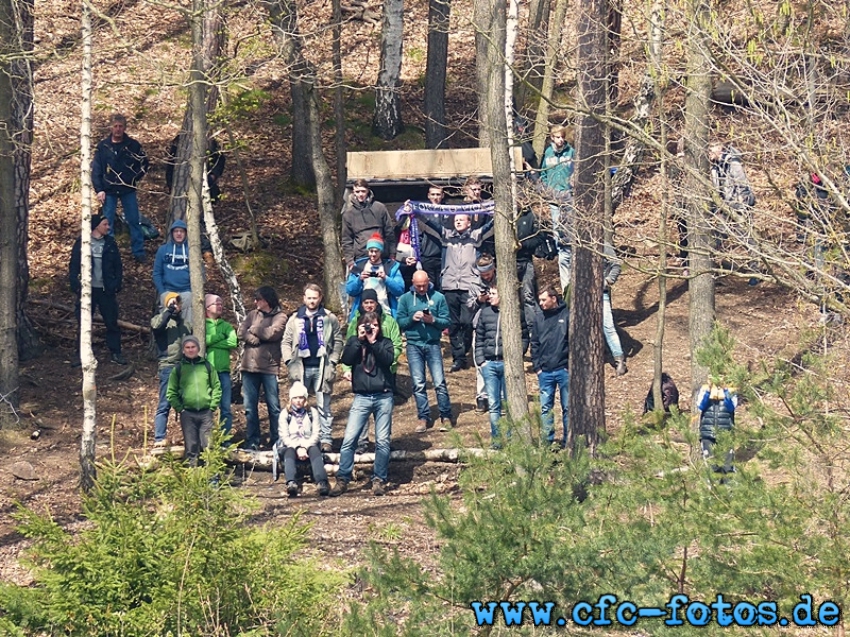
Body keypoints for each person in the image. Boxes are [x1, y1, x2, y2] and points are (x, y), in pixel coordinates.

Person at [330, 311, 396, 497]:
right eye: (366, 326)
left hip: (383, 396)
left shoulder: (385, 343)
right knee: (349, 439)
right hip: (362, 397)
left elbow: (388, 360)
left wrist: (374, 342)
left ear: (379, 326)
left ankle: (379, 479)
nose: (370, 329)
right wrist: (359, 340)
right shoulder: (354, 341)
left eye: (373, 325)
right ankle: (343, 478)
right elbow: (347, 359)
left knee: (382, 441)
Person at [420, 212, 495, 372]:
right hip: (450, 285)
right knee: (452, 324)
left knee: (466, 322)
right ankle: (458, 358)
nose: (458, 222)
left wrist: (496, 213)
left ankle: (465, 348)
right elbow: (431, 224)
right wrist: (415, 210)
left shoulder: (476, 235)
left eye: (462, 219)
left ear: (469, 222)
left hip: (469, 285)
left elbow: (490, 226)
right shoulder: (447, 235)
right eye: (456, 220)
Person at [281, 283, 344, 454]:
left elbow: (338, 341)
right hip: (300, 368)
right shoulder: (294, 319)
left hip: (323, 368)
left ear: (320, 298)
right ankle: (298, 438)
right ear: (304, 298)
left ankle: (326, 439)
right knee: (298, 405)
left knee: (324, 406)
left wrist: (333, 360)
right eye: (308, 298)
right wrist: (288, 361)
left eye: (314, 298)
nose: (311, 301)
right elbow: (286, 342)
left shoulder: (329, 318)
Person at [341, 288, 403, 452]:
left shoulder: (388, 321)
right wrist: (347, 368)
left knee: (383, 410)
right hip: (362, 369)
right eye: (366, 302)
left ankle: (384, 443)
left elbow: (396, 344)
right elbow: (349, 345)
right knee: (361, 407)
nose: (369, 306)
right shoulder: (356, 321)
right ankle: (362, 443)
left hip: (385, 369)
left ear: (377, 303)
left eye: (372, 302)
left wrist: (390, 358)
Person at [396, 271, 453, 433]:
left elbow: (446, 321)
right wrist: (411, 319)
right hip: (413, 345)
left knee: (439, 382)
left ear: (429, 281)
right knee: (419, 383)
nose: (421, 288)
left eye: (424, 285)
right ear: (413, 282)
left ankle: (446, 415)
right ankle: (423, 417)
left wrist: (432, 320)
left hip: (433, 344)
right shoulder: (406, 299)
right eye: (418, 286)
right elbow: (399, 321)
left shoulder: (439, 297)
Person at [68, 214, 126, 365]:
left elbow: (118, 266)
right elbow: (74, 266)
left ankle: (115, 353)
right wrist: (76, 285)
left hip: (106, 290)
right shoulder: (82, 243)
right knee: (84, 323)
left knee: (111, 322)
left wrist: (116, 284)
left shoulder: (110, 243)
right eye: (105, 224)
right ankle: (81, 354)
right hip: (87, 290)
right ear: (96, 226)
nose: (108, 227)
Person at [91, 114, 149, 263]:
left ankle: (138, 252)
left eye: (121, 126)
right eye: (115, 126)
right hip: (108, 190)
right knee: (107, 223)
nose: (118, 129)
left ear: (125, 128)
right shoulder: (103, 147)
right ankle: (109, 252)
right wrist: (99, 189)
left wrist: (133, 179)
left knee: (134, 220)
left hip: (127, 189)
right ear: (111, 127)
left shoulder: (133, 145)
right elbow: (96, 169)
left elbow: (144, 164)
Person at [239, 286, 287, 450]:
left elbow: (273, 333)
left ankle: (277, 439)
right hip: (249, 367)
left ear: (266, 300)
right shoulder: (252, 314)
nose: (255, 302)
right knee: (249, 408)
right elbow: (241, 331)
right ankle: (253, 440)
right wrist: (254, 339)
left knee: (273, 407)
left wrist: (254, 330)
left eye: (258, 299)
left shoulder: (280, 316)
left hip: (269, 368)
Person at [166, 335, 222, 466]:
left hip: (206, 413)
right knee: (191, 447)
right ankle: (193, 476)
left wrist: (212, 406)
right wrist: (181, 409)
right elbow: (171, 392)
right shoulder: (178, 369)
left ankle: (212, 479)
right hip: (187, 414)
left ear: (198, 348)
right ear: (183, 350)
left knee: (209, 446)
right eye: (187, 347)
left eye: (193, 347)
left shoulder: (207, 366)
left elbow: (217, 387)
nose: (190, 350)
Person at [708, 141, 759, 285]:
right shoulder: (714, 166)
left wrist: (742, 209)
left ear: (720, 148)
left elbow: (743, 186)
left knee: (748, 240)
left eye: (712, 148)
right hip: (724, 209)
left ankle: (756, 272)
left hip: (739, 208)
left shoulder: (733, 163)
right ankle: (710, 274)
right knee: (715, 239)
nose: (709, 152)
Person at [151, 292, 192, 447]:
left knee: (186, 403)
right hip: (167, 366)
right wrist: (168, 310)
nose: (177, 306)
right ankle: (159, 438)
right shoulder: (160, 320)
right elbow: (156, 326)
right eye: (173, 303)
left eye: (178, 303)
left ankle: (189, 438)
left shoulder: (186, 324)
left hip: (184, 367)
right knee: (165, 404)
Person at [276, 381, 331, 497]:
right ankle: (291, 483)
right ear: (291, 399)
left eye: (301, 398)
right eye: (295, 398)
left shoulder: (312, 413)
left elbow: (316, 433)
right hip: (290, 445)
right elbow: (284, 436)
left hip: (308, 443)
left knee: (315, 450)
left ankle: (322, 482)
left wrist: (304, 447)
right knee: (289, 452)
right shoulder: (285, 414)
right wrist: (297, 447)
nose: (298, 401)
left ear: (305, 399)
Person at [531, 285, 570, 447]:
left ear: (554, 299)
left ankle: (569, 440)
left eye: (544, 300)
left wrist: (569, 366)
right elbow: (534, 344)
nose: (541, 303)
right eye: (539, 300)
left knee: (568, 407)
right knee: (546, 408)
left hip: (564, 370)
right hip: (545, 371)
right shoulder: (538, 317)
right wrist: (537, 367)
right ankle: (547, 441)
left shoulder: (567, 315)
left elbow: (573, 341)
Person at [474, 287, 511, 448]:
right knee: (494, 405)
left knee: (508, 404)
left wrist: (515, 356)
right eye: (489, 293)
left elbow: (523, 335)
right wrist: (481, 361)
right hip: (489, 363)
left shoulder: (514, 312)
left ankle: (510, 442)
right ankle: (496, 442)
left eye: (494, 293)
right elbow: (479, 338)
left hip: (507, 364)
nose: (490, 296)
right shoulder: (485, 313)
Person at [539, 125, 575, 290]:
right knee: (557, 229)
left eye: (562, 137)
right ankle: (560, 250)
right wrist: (547, 189)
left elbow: (577, 171)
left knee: (570, 229)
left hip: (568, 196)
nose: (560, 140)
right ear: (552, 138)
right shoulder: (547, 153)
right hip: (554, 198)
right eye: (557, 137)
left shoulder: (571, 152)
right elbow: (543, 173)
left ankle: (571, 251)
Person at [345, 233, 405, 319]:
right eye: (371, 251)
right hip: (363, 314)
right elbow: (350, 290)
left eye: (376, 251)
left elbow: (400, 290)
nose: (373, 254)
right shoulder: (359, 266)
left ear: (381, 252)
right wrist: (359, 279)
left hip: (386, 312)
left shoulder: (391, 267)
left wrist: (386, 279)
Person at [466, 254, 499, 413]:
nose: (485, 276)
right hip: (480, 326)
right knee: (481, 363)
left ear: (493, 268)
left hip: (499, 324)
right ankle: (482, 396)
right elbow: (469, 306)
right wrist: (479, 300)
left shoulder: (502, 279)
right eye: (482, 274)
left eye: (487, 273)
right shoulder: (474, 283)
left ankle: (499, 395)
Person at [395, 185, 445, 290]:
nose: (435, 197)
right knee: (428, 287)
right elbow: (401, 226)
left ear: (442, 196)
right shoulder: (421, 212)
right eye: (433, 194)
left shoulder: (448, 212)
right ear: (428, 196)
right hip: (427, 257)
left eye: (438, 194)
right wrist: (406, 210)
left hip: (444, 257)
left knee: (442, 288)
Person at [341, 179, 396, 270]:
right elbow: (347, 240)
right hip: (361, 258)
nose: (361, 194)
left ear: (368, 191)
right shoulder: (348, 214)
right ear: (353, 192)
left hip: (382, 256)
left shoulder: (380, 208)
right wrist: (350, 261)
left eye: (363, 191)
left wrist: (392, 254)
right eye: (357, 191)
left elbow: (389, 232)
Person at [153, 219, 200, 325]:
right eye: (176, 231)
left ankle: (187, 339)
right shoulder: (163, 250)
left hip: (187, 291)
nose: (179, 234)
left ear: (186, 233)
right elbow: (157, 273)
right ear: (172, 233)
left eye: (181, 231)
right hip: (168, 291)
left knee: (187, 321)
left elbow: (200, 273)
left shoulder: (192, 250)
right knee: (168, 322)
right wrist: (163, 292)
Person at [204, 294, 237, 436]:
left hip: (224, 372)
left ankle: (225, 440)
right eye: (216, 304)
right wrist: (219, 337)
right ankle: (207, 438)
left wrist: (212, 342)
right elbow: (202, 341)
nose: (220, 307)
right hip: (207, 372)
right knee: (208, 407)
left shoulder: (226, 326)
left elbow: (233, 342)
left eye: (221, 304)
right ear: (207, 307)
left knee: (225, 408)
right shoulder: (201, 325)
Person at [165, 134, 226, 203]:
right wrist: (171, 184)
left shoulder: (209, 141)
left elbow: (219, 159)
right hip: (183, 182)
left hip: (206, 180)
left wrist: (213, 175)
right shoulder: (180, 141)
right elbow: (171, 166)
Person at [696, 380, 738, 474]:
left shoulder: (731, 391)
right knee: (711, 465)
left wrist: (726, 391)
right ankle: (713, 486)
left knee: (727, 465)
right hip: (707, 433)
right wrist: (708, 391)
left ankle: (728, 486)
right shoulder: (704, 389)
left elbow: (731, 407)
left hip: (725, 433)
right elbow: (701, 405)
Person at [603, 243, 628, 376]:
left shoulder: (603, 245)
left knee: (608, 327)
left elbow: (617, 264)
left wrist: (608, 280)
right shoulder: (576, 243)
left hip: (601, 294)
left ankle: (619, 360)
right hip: (581, 295)